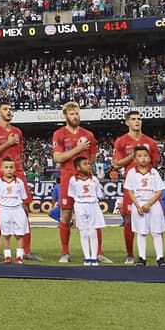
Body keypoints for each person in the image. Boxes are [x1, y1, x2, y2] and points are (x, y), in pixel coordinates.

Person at [0, 101, 39, 261]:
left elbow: (18, 152)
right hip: (0, 173)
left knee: (25, 210)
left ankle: (25, 251)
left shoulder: (17, 131)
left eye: (10, 109)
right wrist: (7, 144)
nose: (9, 111)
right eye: (5, 109)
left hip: (18, 173)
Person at [51, 102, 103, 263]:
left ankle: (97, 253)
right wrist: (78, 149)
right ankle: (65, 252)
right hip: (68, 178)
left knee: (93, 215)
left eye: (77, 113)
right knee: (66, 215)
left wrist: (83, 168)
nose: (75, 116)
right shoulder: (59, 134)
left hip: (86, 179)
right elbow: (58, 158)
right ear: (65, 116)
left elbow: (92, 158)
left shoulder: (88, 134)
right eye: (72, 114)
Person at [112, 110, 161, 264]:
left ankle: (160, 255)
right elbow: (116, 164)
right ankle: (130, 254)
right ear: (127, 122)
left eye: (139, 119)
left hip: (149, 185)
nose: (137, 121)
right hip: (132, 185)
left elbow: (156, 162)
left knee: (157, 220)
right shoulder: (121, 141)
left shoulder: (150, 142)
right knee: (128, 219)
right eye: (133, 119)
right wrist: (132, 156)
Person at [123, 147, 165, 267]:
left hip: (153, 204)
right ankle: (142, 258)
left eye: (145, 156)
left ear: (149, 158)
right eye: (140, 156)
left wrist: (149, 204)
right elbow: (130, 191)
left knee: (157, 231)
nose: (143, 158)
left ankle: (160, 258)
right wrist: (138, 205)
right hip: (138, 204)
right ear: (134, 159)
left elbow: (159, 190)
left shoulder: (154, 172)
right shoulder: (131, 173)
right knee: (141, 232)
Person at [0, 156, 30, 264]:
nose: (9, 169)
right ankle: (7, 257)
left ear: (15, 169)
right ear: (1, 169)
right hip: (4, 210)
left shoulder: (19, 182)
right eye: (6, 167)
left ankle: (19, 257)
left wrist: (24, 213)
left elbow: (23, 199)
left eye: (11, 167)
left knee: (19, 235)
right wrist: (1, 212)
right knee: (6, 234)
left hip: (17, 210)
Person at [67, 157, 105, 266]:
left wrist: (101, 185)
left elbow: (100, 195)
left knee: (93, 232)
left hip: (93, 205)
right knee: (83, 232)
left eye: (89, 163)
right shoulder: (73, 180)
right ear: (78, 168)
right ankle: (87, 257)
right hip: (80, 205)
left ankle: (94, 258)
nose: (89, 166)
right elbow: (72, 195)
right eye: (85, 164)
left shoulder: (94, 179)